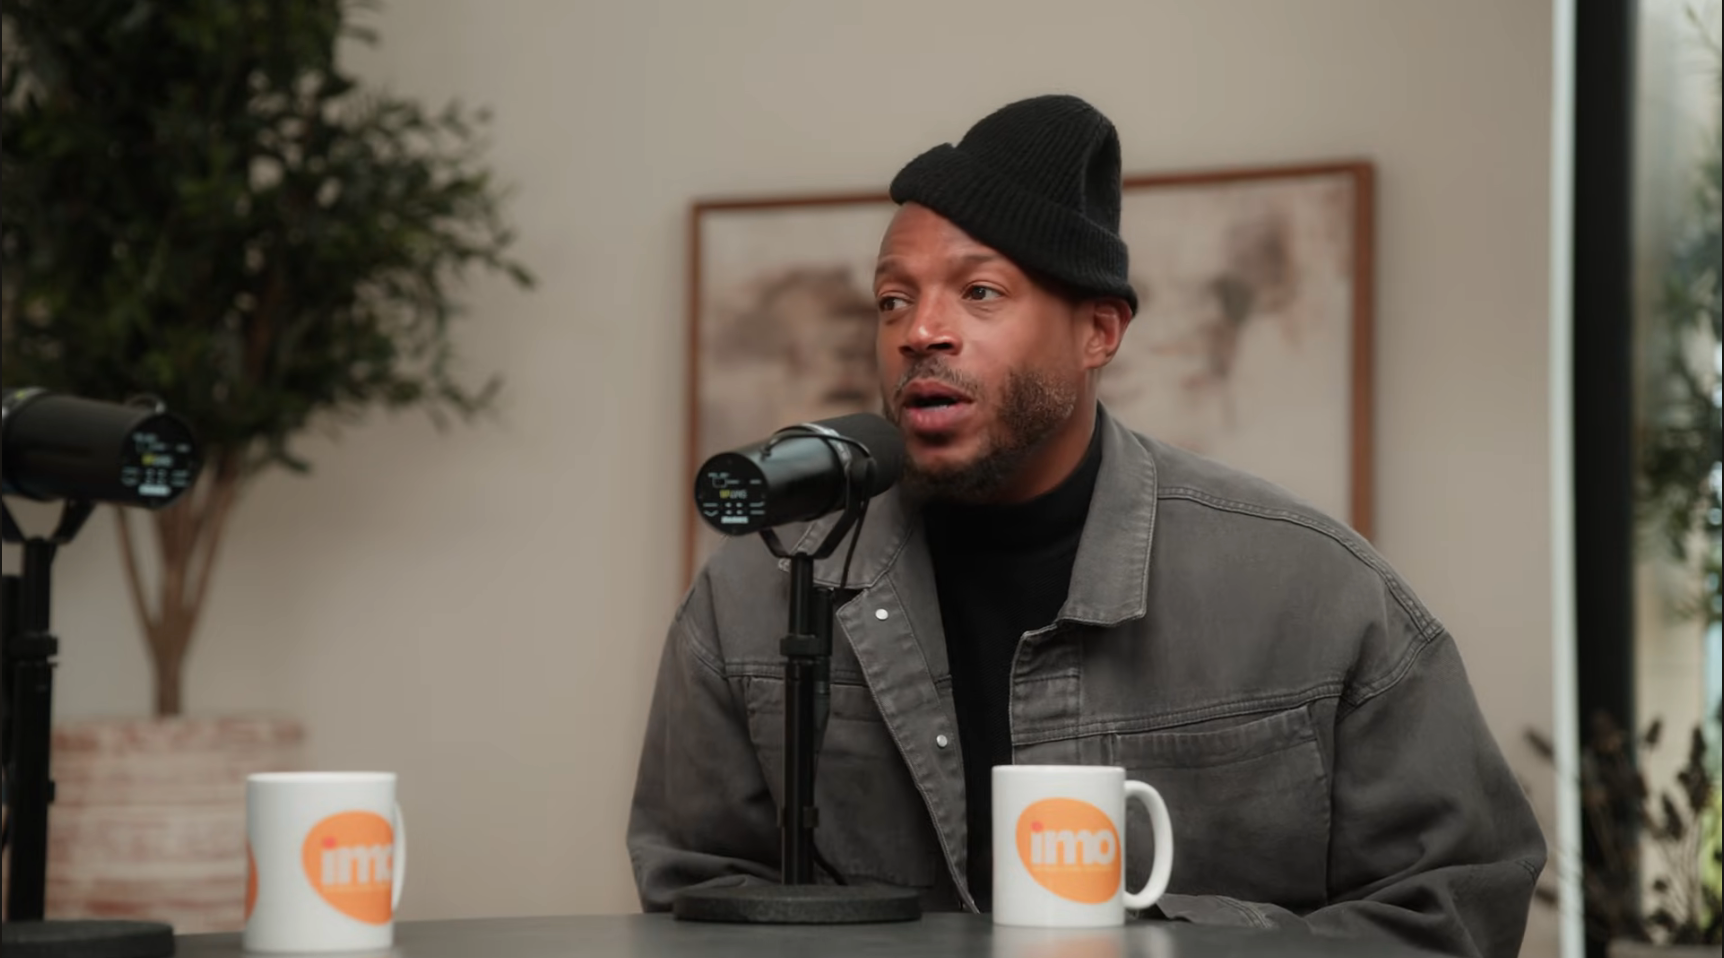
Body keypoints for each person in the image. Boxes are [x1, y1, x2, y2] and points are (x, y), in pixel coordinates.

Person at [627, 94, 1546, 958]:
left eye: (980, 293)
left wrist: (1150, 941)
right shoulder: (756, 594)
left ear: (1098, 331)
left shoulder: (1315, 590)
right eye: (893, 299)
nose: (919, 332)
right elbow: (691, 898)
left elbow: (1455, 904)